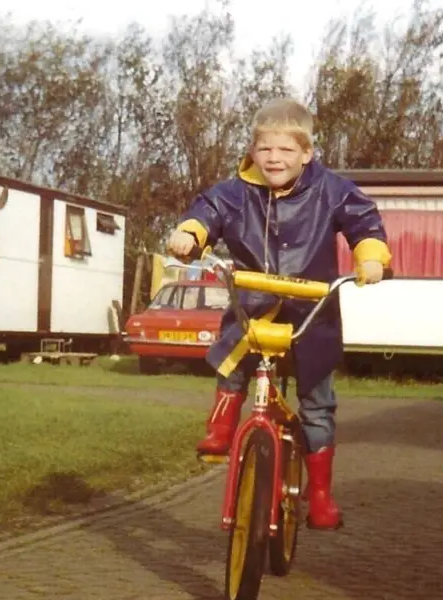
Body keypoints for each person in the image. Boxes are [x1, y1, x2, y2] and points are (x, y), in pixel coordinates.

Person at [166, 98, 391, 531]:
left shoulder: (332, 189)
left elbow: (364, 222)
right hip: (253, 303)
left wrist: (370, 256)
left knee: (317, 404)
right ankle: (222, 427)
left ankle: (320, 495)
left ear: (307, 153)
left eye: (286, 149)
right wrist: (189, 234)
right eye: (265, 148)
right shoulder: (235, 192)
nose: (274, 158)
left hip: (311, 310)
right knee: (234, 356)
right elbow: (206, 213)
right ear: (252, 150)